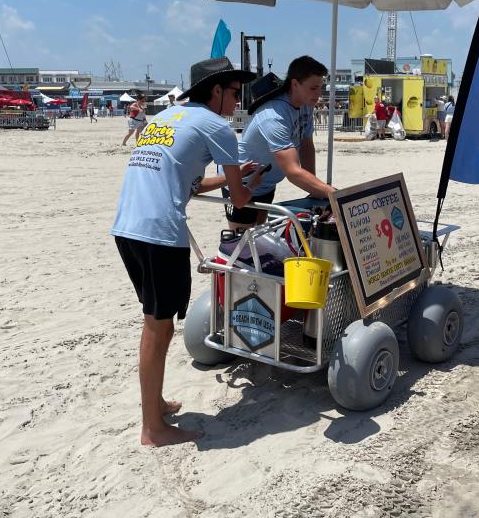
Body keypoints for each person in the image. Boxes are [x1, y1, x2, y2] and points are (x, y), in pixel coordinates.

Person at [111, 57, 261, 447]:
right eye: (234, 91)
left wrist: (235, 174)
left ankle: (155, 405)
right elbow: (241, 201)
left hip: (127, 227)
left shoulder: (167, 117)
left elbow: (188, 184)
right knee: (158, 329)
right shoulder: (218, 127)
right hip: (159, 234)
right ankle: (153, 430)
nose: (237, 99)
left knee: (154, 322)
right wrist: (251, 181)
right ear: (216, 91)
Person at [230, 55, 336, 227]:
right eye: (313, 88)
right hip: (242, 180)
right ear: (295, 84)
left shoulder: (306, 106)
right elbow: (293, 171)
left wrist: (316, 189)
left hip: (267, 182)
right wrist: (333, 193)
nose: (319, 94)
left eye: (320, 88)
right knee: (240, 247)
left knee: (259, 239)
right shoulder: (274, 116)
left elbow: (306, 145)